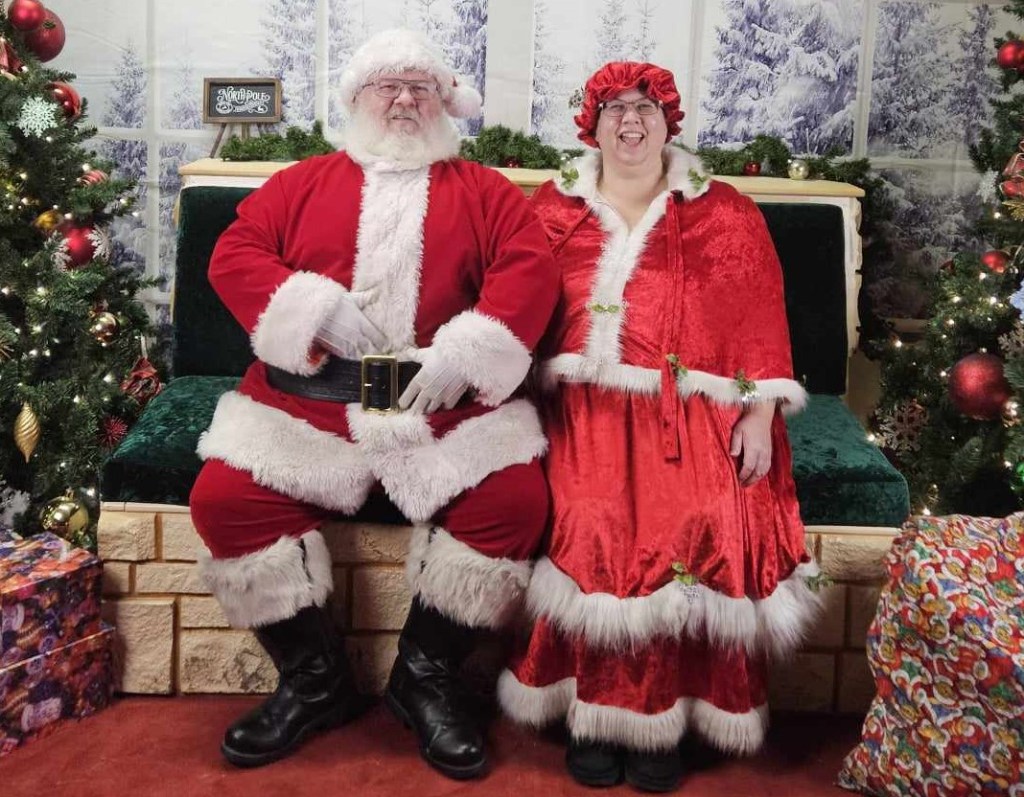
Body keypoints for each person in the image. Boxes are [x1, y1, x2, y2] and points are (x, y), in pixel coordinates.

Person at [187, 28, 558, 780]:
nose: (404, 100)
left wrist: (468, 352)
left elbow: (529, 270)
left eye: (420, 87)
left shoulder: (485, 191)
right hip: (308, 409)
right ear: (359, 97)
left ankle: (425, 678)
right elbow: (235, 253)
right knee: (225, 500)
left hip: (442, 410)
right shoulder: (302, 182)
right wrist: (311, 308)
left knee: (513, 502)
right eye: (388, 86)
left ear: (444, 103)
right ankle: (314, 681)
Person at [497, 62, 824, 793]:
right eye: (614, 108)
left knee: (692, 523)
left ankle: (663, 721)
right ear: (592, 123)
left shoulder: (725, 213)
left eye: (645, 107)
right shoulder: (551, 209)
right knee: (590, 524)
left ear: (668, 120)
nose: (630, 121)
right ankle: (595, 716)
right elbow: (510, 306)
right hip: (579, 415)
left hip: (690, 415)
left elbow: (759, 318)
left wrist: (760, 412)